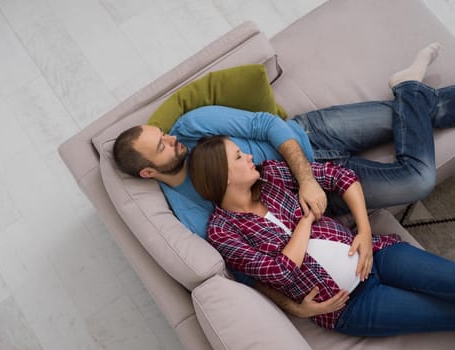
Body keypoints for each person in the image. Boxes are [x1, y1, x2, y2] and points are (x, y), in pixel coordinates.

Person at [113, 43, 455, 318]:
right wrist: (295, 307)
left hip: (308, 137)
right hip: (308, 198)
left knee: (429, 112)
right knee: (417, 180)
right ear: (149, 171)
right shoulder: (190, 211)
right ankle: (410, 88)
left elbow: (265, 124)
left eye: (162, 134)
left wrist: (306, 177)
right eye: (162, 145)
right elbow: (247, 264)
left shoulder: (191, 126)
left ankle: (409, 87)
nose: (171, 138)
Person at [188, 134, 455, 335]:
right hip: (349, 307)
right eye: (238, 156)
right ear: (222, 176)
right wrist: (307, 220)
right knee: (445, 315)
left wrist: (363, 231)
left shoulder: (271, 175)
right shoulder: (222, 232)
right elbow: (281, 271)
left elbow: (342, 177)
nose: (248, 156)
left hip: (376, 253)